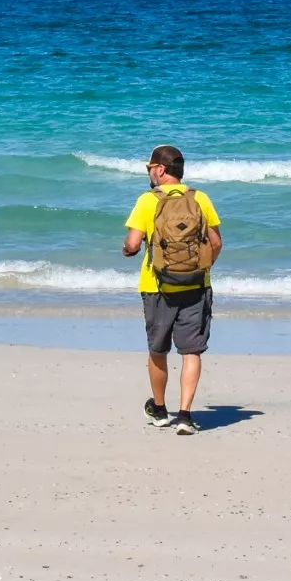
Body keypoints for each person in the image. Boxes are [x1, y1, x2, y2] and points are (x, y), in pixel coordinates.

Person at [122, 144, 221, 434]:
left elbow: (132, 243)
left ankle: (161, 410)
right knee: (191, 352)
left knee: (158, 349)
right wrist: (201, 269)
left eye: (150, 167)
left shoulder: (147, 201)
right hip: (196, 284)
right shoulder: (200, 198)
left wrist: (128, 251)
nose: (149, 173)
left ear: (161, 169)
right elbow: (216, 243)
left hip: (157, 286)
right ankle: (186, 416)